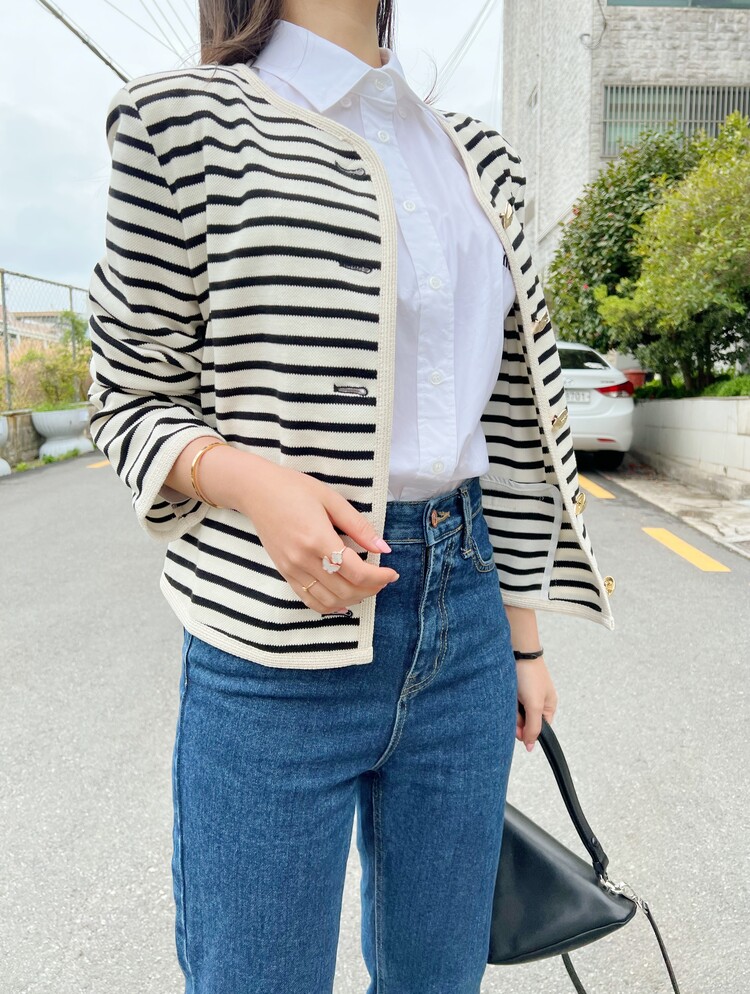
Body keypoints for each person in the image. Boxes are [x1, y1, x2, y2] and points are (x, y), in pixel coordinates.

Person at [86, 1, 616, 991]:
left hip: (466, 622)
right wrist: (256, 484)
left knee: (439, 980)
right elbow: (127, 397)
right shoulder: (178, 121)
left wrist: (523, 638)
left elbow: (508, 422)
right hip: (269, 639)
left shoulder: (482, 160)